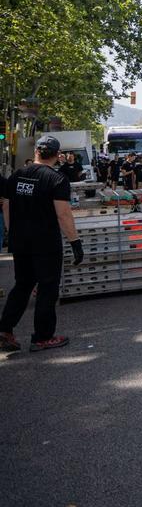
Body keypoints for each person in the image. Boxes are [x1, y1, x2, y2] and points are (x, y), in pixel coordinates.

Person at [0, 136, 83, 352]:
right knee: (47, 288)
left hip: (21, 241)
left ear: (36, 151)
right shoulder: (57, 179)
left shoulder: (17, 175)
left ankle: (5, 329)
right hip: (45, 243)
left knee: (22, 285)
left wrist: (13, 232)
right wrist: (75, 242)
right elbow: (63, 214)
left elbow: (6, 206)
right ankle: (42, 337)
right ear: (57, 155)